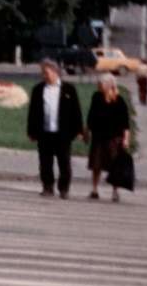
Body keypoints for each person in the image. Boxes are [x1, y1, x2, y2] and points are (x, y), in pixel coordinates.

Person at [26, 59, 88, 200]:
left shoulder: (69, 89)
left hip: (63, 134)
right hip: (44, 132)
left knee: (64, 162)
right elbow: (33, 112)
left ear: (55, 72)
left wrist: (79, 130)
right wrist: (31, 131)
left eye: (46, 72)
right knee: (45, 162)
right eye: (43, 73)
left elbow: (76, 111)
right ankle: (47, 187)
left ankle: (64, 189)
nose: (44, 76)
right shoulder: (38, 90)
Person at [86, 74, 133, 202]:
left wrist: (126, 139)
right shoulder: (96, 97)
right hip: (98, 136)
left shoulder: (119, 101)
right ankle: (94, 189)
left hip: (114, 138)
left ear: (108, 85)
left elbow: (125, 123)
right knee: (96, 165)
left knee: (114, 166)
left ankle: (115, 191)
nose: (98, 86)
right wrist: (88, 130)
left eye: (100, 84)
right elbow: (91, 115)